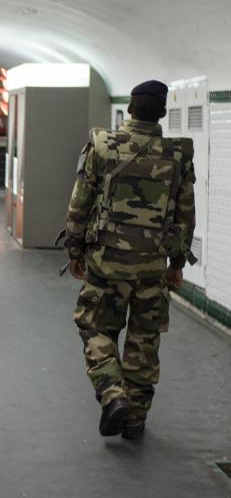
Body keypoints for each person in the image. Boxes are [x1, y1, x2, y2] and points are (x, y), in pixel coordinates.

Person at [62, 80, 196, 440]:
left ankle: (112, 394)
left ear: (130, 110)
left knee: (94, 327)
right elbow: (185, 216)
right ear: (162, 114)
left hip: (106, 262)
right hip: (153, 265)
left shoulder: (104, 145)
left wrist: (75, 250)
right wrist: (178, 264)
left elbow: (79, 204)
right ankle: (135, 420)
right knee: (144, 340)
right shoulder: (178, 154)